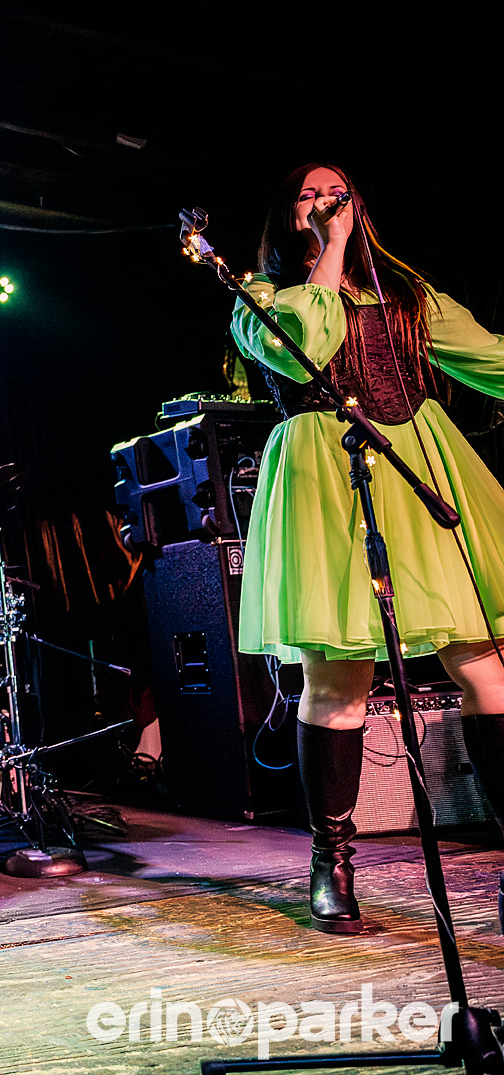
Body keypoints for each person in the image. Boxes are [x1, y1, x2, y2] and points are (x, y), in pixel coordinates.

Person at [231, 162, 504, 935]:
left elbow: (493, 360)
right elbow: (305, 345)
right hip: (325, 477)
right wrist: (330, 249)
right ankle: (332, 860)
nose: (324, 202)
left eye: (335, 193)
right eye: (307, 195)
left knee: (484, 665)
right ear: (287, 215)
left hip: (416, 466)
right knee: (337, 680)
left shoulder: (409, 298)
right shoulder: (263, 297)